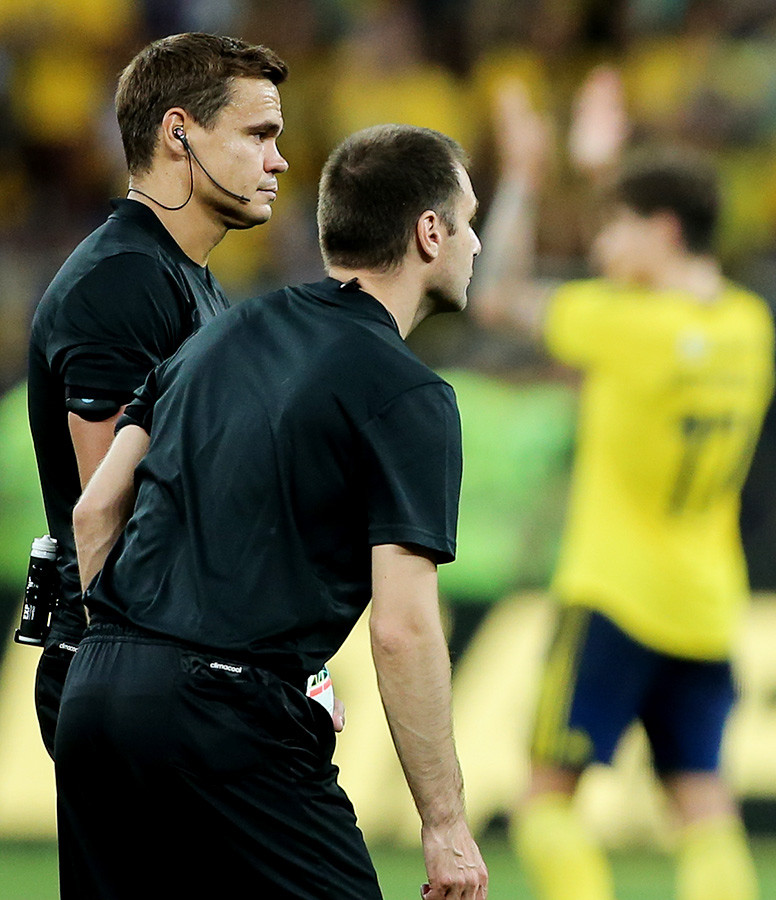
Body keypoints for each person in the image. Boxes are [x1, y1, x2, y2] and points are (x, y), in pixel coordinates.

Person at [55, 124, 487, 899]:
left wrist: (127, 654)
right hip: (229, 716)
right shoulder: (408, 392)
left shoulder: (218, 333)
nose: (477, 244)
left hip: (99, 694)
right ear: (430, 232)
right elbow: (403, 627)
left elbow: (95, 513)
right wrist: (445, 823)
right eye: (469, 220)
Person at [471, 69, 772, 900]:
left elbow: (493, 295)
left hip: (610, 592)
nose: (602, 246)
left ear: (663, 230)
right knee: (704, 808)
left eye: (616, 228)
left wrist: (529, 176)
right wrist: (608, 172)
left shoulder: (624, 326)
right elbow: (645, 268)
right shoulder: (749, 325)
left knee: (545, 807)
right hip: (707, 602)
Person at [25, 32, 294, 756]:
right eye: (258, 134)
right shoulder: (123, 281)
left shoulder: (188, 281)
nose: (279, 161)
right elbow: (113, 515)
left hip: (179, 661)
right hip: (142, 671)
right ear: (180, 132)